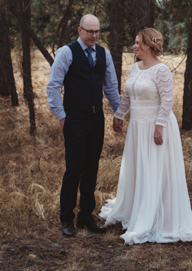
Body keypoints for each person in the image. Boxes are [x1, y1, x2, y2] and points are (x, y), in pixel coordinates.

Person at [101, 28, 192, 244]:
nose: (134, 46)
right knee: (139, 167)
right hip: (137, 127)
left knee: (155, 169)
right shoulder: (135, 67)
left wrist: (159, 125)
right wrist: (119, 114)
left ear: (148, 46)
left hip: (155, 125)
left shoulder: (161, 70)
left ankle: (156, 216)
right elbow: (128, 95)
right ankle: (137, 208)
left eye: (137, 43)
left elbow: (167, 100)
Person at [46, 14, 121, 237]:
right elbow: (53, 86)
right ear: (80, 31)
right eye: (90, 31)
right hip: (74, 118)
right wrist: (61, 115)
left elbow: (111, 86)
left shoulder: (103, 53)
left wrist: (118, 113)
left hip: (96, 118)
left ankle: (86, 215)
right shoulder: (67, 52)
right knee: (74, 168)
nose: (94, 35)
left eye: (97, 31)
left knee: (91, 168)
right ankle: (66, 217)